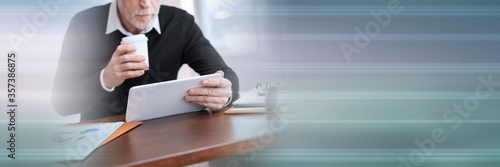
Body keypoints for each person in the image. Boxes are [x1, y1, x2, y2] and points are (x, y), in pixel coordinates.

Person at [52, 0, 239, 121]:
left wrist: (225, 94)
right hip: (102, 139)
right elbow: (61, 104)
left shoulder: (180, 24)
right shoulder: (83, 24)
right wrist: (105, 79)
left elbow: (225, 74)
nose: (146, 4)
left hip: (161, 132)